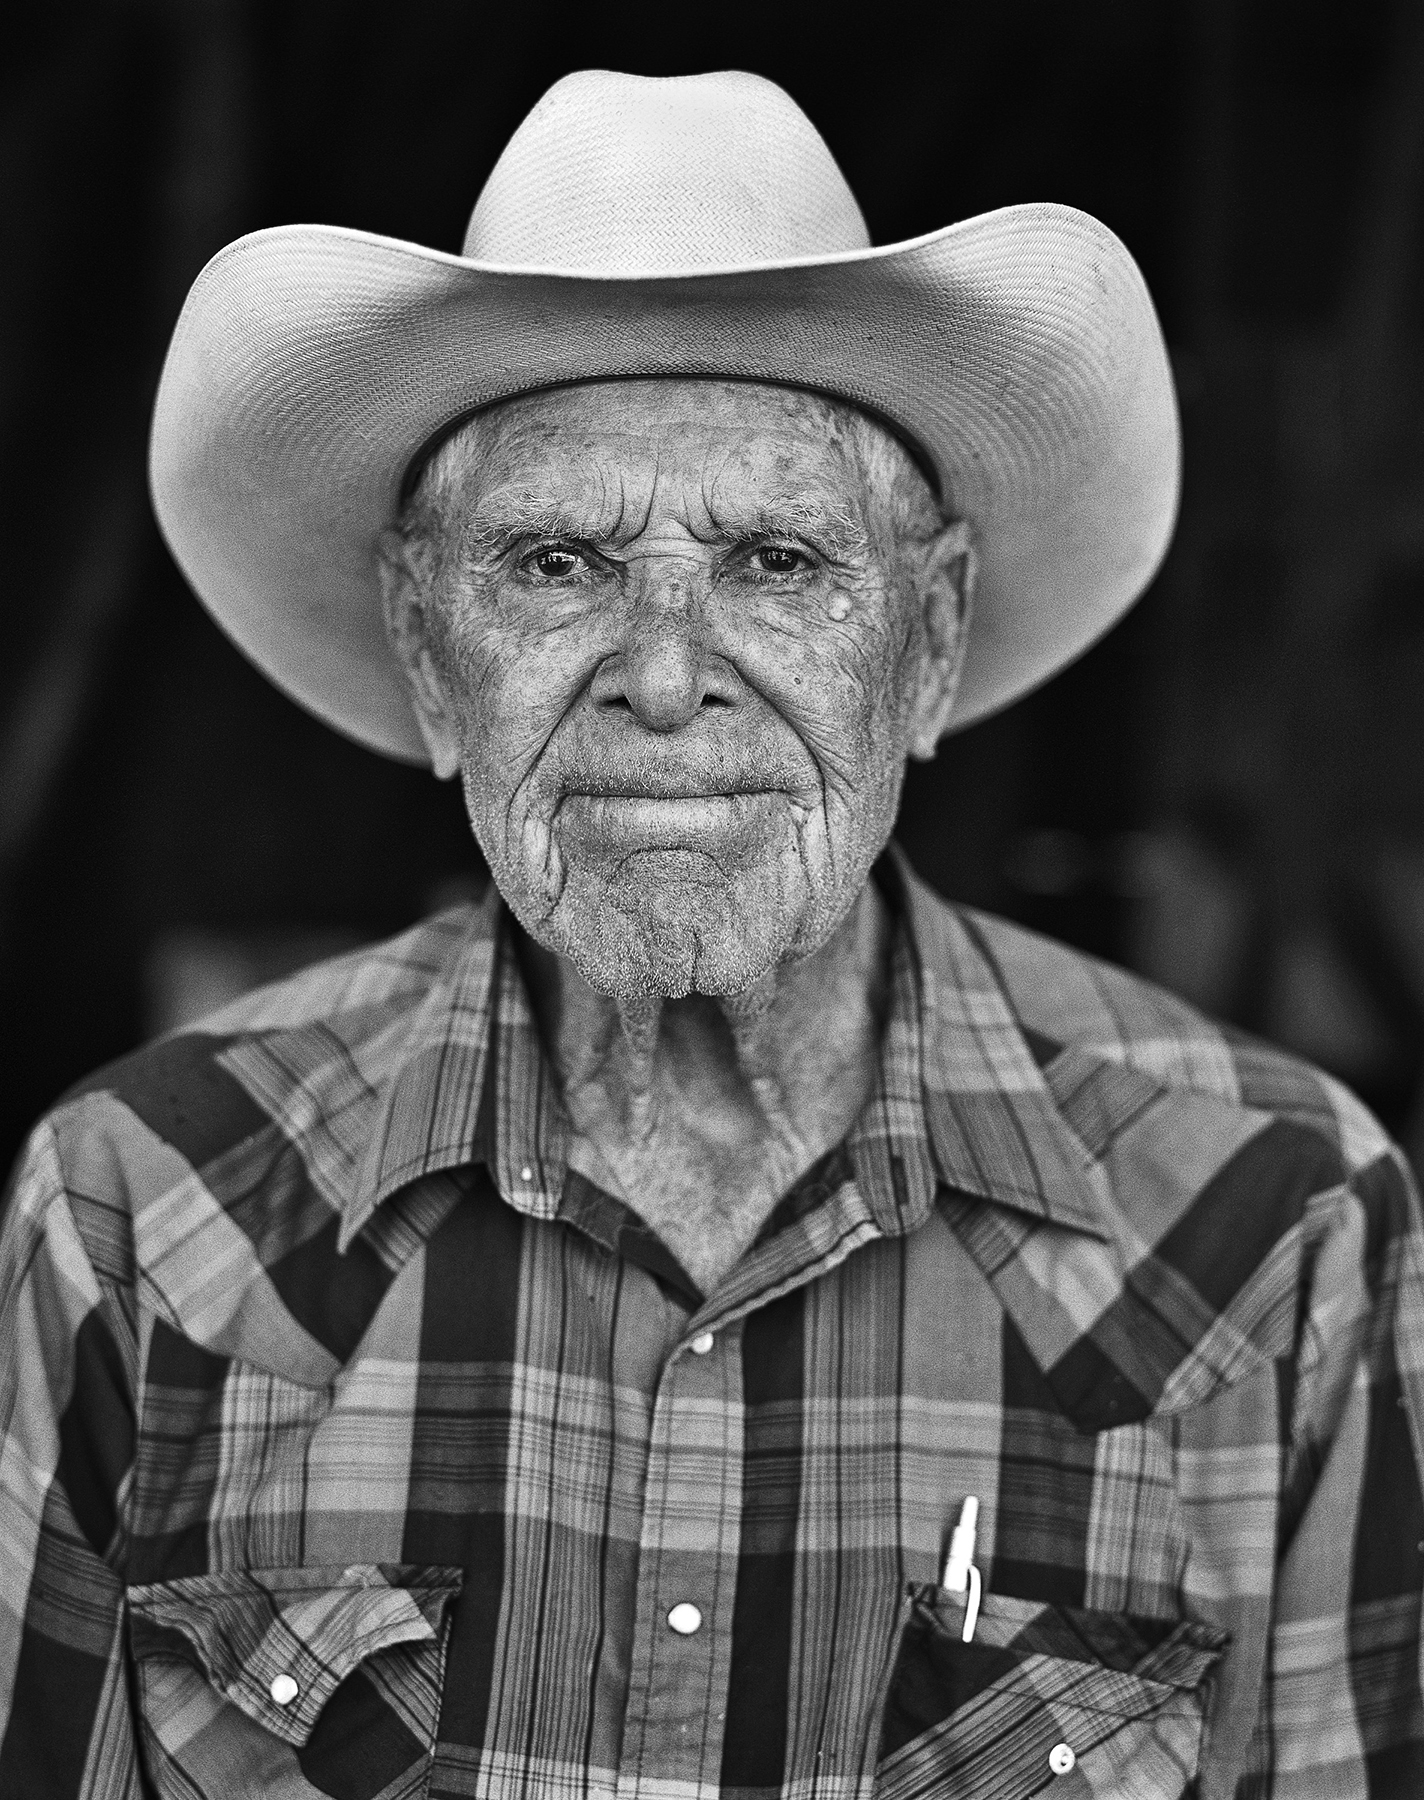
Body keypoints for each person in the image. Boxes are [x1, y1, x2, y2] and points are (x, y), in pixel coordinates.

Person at [1, 68, 1420, 1800]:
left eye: (773, 559)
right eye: (552, 563)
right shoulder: (145, 1208)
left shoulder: (1270, 1226)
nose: (665, 678)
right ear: (427, 649)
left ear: (932, 640)